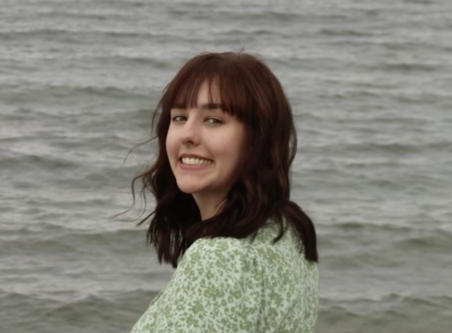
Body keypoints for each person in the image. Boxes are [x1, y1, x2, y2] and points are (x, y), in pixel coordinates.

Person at [130, 52, 319, 333]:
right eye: (180, 117)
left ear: (257, 138)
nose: (188, 134)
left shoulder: (218, 259)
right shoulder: (287, 229)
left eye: (214, 120)